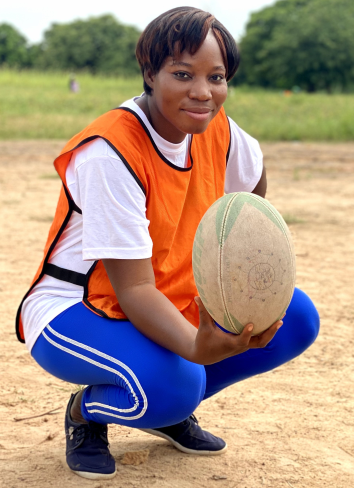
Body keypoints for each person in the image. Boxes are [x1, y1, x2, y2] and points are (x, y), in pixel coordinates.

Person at [16, 7, 319, 481]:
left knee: (294, 318)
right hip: (76, 309)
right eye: (182, 74)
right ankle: (88, 412)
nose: (203, 92)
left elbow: (252, 193)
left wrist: (233, 266)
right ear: (150, 74)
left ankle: (170, 403)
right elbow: (134, 290)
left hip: (161, 297)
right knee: (177, 383)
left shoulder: (214, 125)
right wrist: (198, 347)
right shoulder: (111, 150)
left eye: (216, 77)